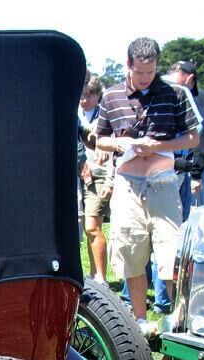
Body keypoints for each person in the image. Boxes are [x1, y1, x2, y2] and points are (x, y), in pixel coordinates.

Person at [95, 37, 200, 334]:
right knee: (131, 251)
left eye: (151, 71)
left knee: (171, 253)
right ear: (128, 65)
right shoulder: (112, 95)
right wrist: (122, 143)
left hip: (163, 182)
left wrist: (160, 146)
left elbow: (194, 138)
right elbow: (100, 137)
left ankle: (182, 321)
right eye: (140, 72)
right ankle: (141, 322)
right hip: (128, 184)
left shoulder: (175, 93)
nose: (145, 77)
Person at [168, 61, 204, 208]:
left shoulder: (195, 98)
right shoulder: (190, 96)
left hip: (188, 166)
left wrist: (196, 173)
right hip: (181, 167)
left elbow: (199, 137)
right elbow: (200, 139)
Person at [79, 76, 113, 283]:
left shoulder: (105, 115)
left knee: (93, 225)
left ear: (98, 95)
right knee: (84, 228)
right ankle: (91, 275)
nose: (84, 99)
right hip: (78, 175)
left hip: (99, 174)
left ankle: (100, 277)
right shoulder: (75, 114)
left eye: (89, 95)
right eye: (82, 95)